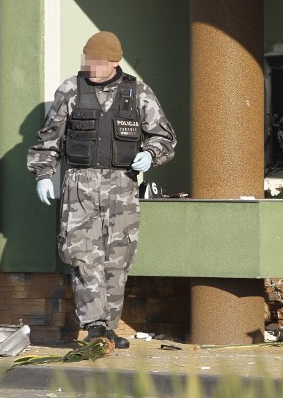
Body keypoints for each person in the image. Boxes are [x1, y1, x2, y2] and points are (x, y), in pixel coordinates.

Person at [27, 31, 177, 348]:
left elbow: (164, 136)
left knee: (117, 260)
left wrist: (150, 154)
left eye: (98, 61)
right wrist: (44, 172)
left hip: (122, 186)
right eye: (88, 59)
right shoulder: (70, 90)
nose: (91, 66)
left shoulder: (138, 93)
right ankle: (95, 327)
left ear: (115, 62)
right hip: (79, 185)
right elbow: (49, 138)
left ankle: (108, 330)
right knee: (82, 257)